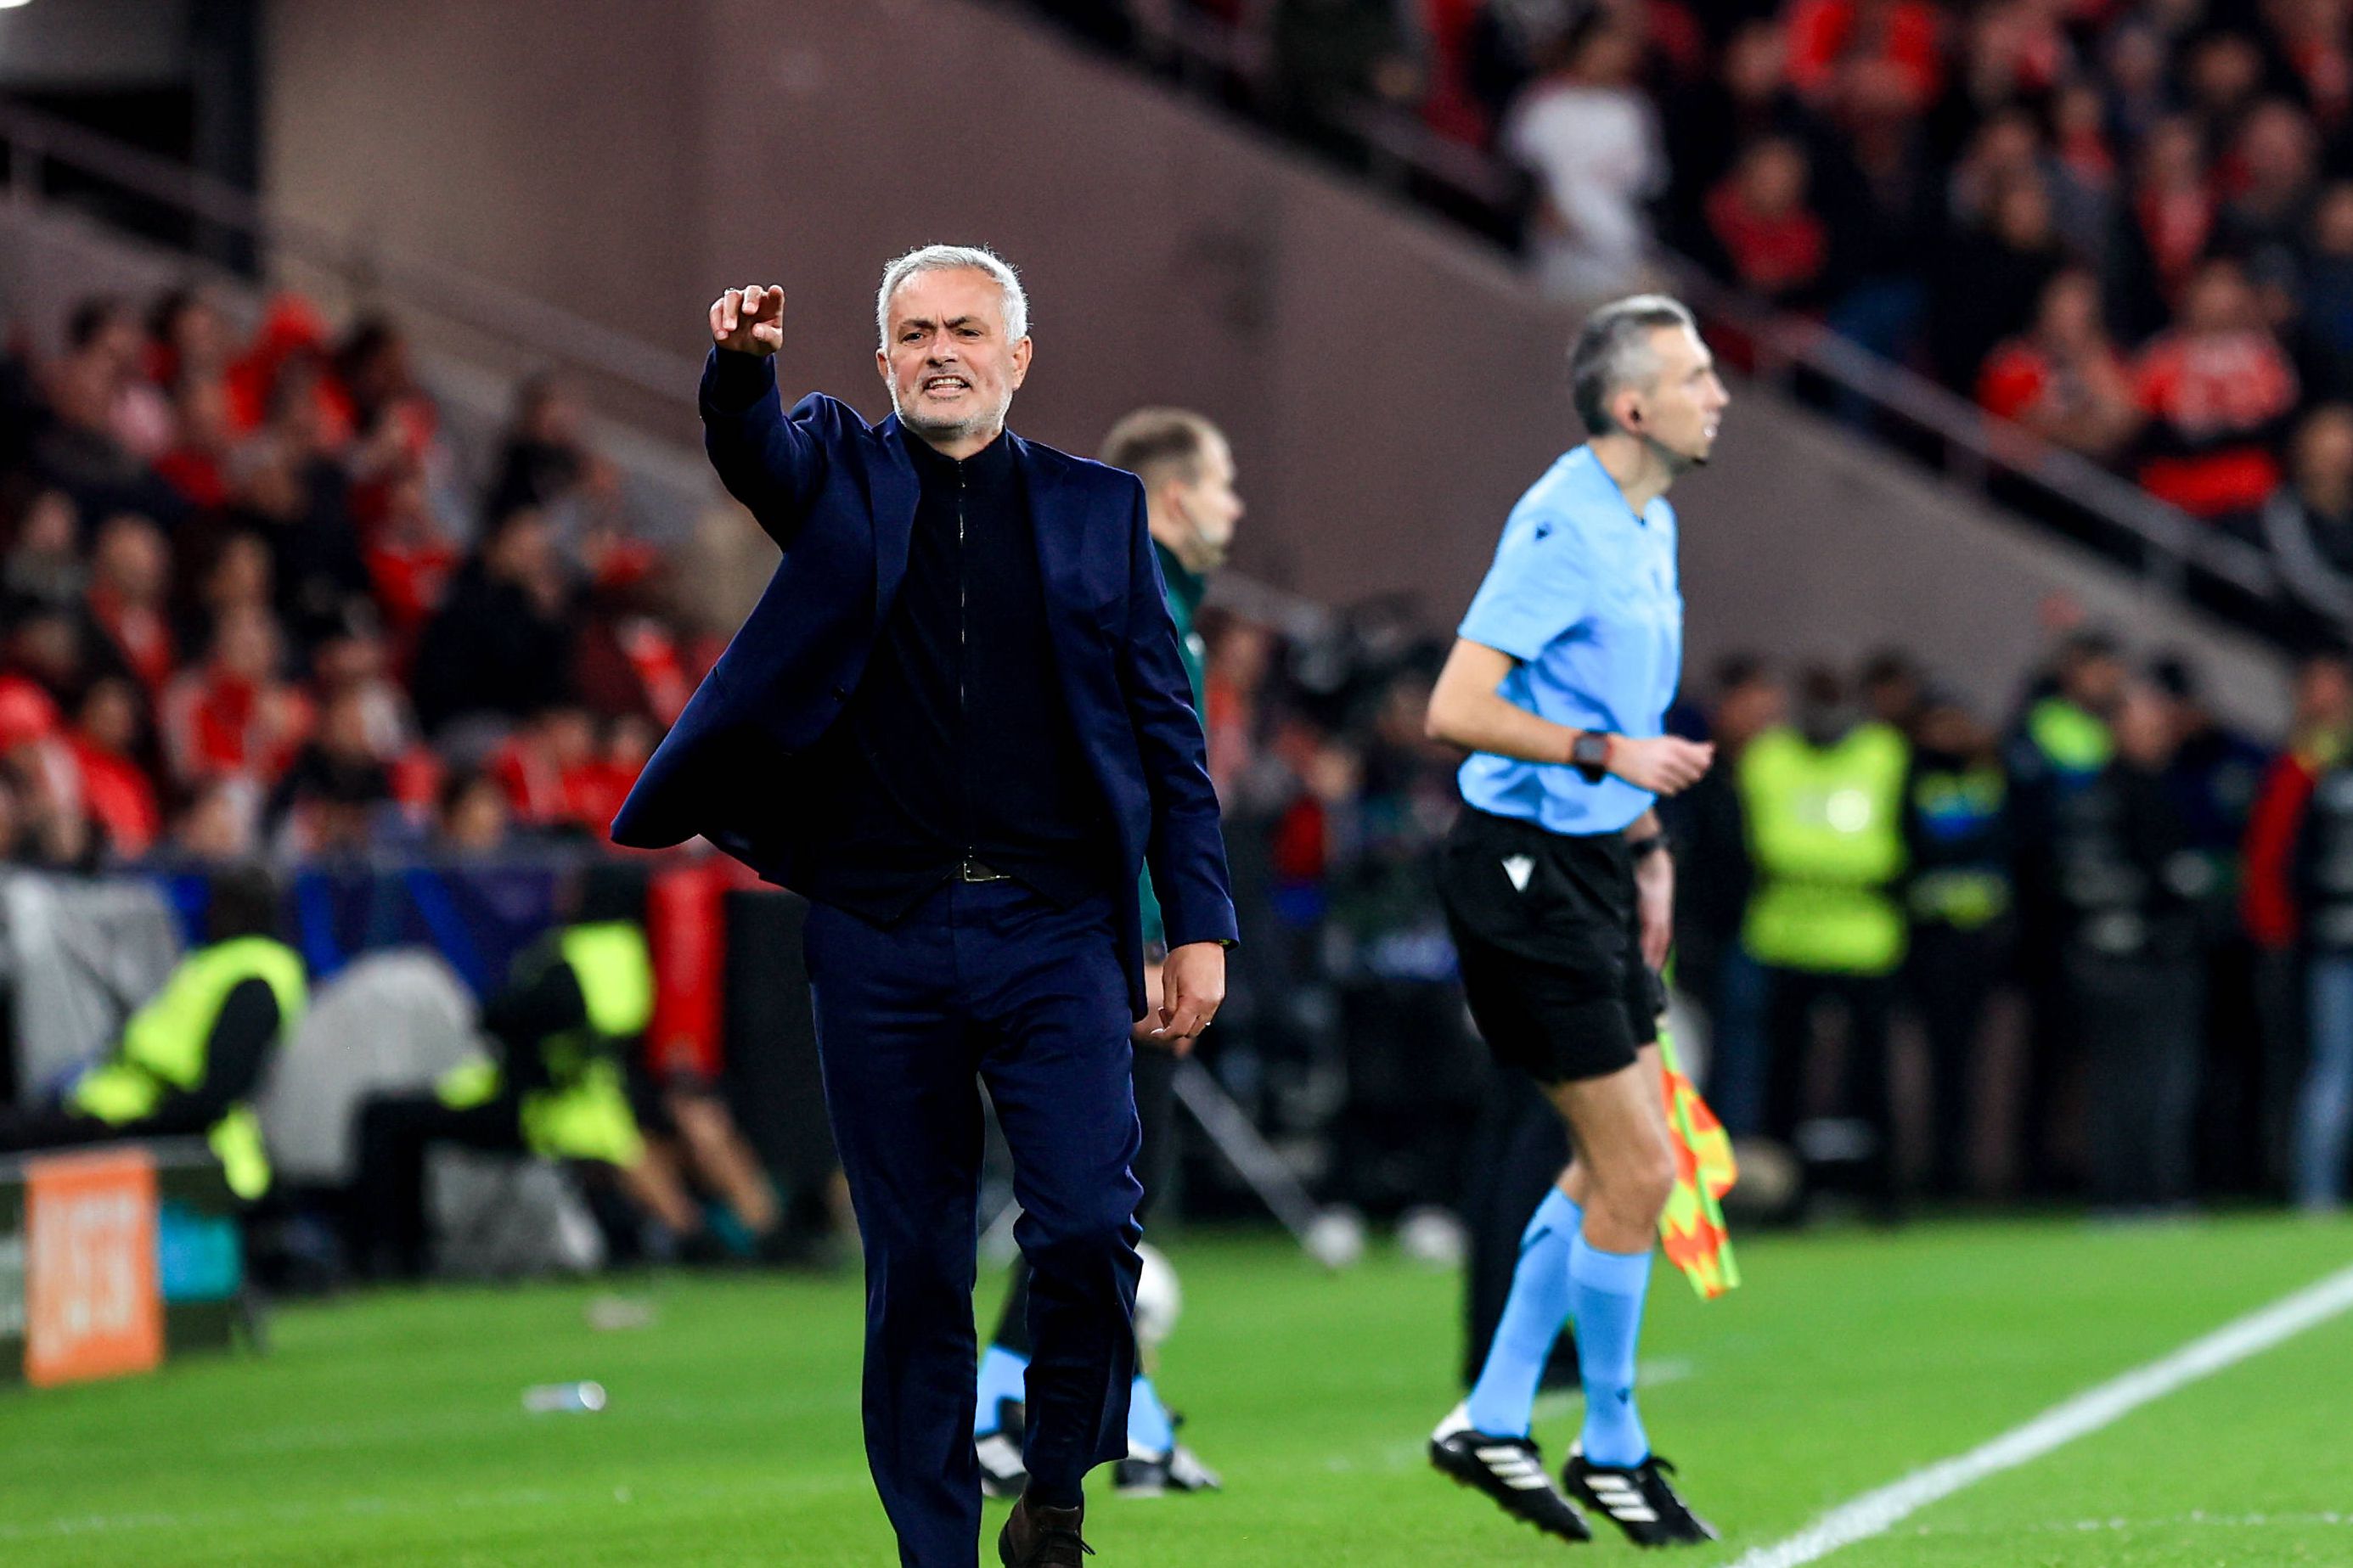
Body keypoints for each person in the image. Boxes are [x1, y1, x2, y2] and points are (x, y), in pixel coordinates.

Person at [610, 247, 1236, 1568]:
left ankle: (1056, 1478)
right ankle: (936, 1555)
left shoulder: (1098, 509)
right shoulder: (838, 470)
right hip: (879, 931)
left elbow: (1165, 739)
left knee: (1083, 1224)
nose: (939, 349)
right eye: (912, 332)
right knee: (914, 1266)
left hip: (1054, 928)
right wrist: (741, 367)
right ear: (885, 360)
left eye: (965, 329)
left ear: (1017, 357)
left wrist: (1196, 924)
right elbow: (751, 451)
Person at [1420, 293, 1722, 1547]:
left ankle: (1498, 1419)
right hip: (1520, 871)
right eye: (1695, 373)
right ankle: (1604, 1436)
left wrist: (1642, 842)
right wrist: (1608, 754)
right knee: (1641, 1166)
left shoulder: (1646, 517)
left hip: (1591, 864)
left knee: (1618, 1163)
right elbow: (1454, 705)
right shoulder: (1563, 524)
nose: (1717, 391)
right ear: (1631, 404)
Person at [972, 407, 1241, 1501]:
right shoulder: (1123, 603)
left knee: (1115, 1196)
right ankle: (995, 1405)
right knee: (1090, 1191)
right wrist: (1139, 936)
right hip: (1109, 943)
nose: (1233, 508)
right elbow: (1111, 791)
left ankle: (1117, 1417)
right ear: (1172, 497)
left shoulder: (1162, 604)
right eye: (1222, 486)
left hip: (1125, 936)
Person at [345, 863, 712, 1277]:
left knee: (382, 1117)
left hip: (541, 1108)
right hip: (602, 1100)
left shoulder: (569, 958)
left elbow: (505, 1015)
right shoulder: (628, 954)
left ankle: (390, 1257)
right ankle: (705, 1238)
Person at [0, 864, 303, 1201]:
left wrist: (131, 1131)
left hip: (157, 1129)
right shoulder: (217, 964)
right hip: (120, 1109)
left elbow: (216, 1094)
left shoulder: (253, 978)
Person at [1742, 666, 1912, 1211]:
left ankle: (1880, 1193)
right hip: (1786, 942)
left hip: (1865, 945)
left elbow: (1891, 852)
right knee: (1781, 1082)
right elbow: (1769, 846)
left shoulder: (1885, 753)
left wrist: (1812, 860)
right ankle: (1780, 1197)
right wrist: (1849, 863)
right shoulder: (1769, 756)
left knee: (1871, 1079)